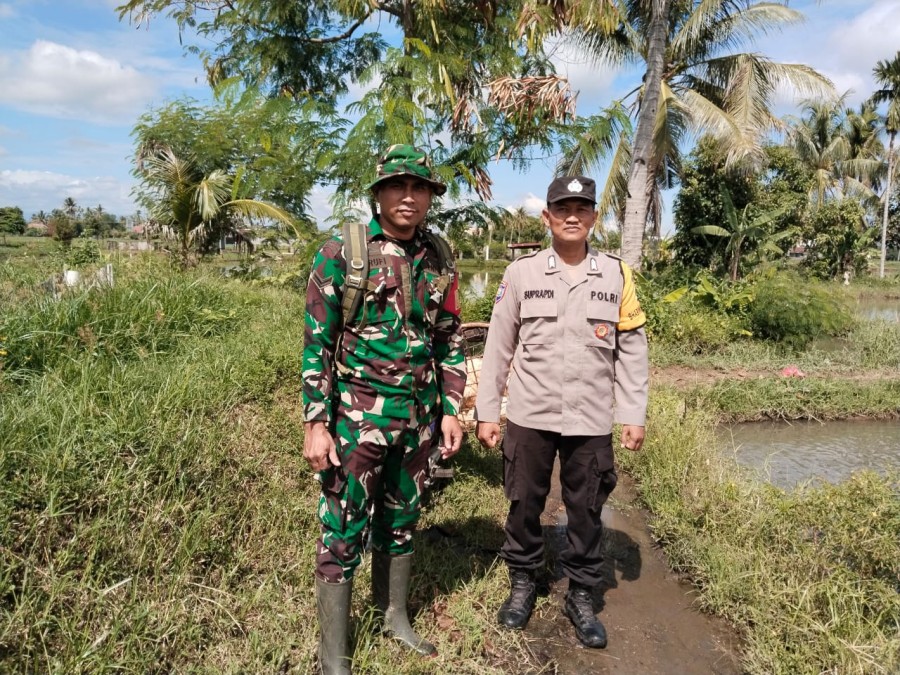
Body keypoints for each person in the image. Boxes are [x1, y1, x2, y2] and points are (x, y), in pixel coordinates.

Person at [302, 144, 466, 674]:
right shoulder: (342, 253)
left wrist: (451, 409)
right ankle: (334, 655)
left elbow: (449, 337)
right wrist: (316, 422)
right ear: (378, 194)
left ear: (430, 197)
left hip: (417, 422)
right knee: (344, 529)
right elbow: (317, 344)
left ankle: (393, 616)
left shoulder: (439, 257)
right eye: (397, 185)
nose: (408, 196)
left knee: (401, 521)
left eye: (420, 188)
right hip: (358, 423)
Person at [474, 175, 649, 649]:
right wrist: (487, 411)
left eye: (582, 208)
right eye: (562, 208)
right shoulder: (521, 274)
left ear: (594, 217)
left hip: (590, 418)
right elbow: (498, 346)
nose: (572, 217)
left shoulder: (617, 275)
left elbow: (632, 352)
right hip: (531, 414)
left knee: (587, 508)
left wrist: (633, 413)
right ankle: (523, 581)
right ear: (546, 217)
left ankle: (581, 594)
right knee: (523, 502)